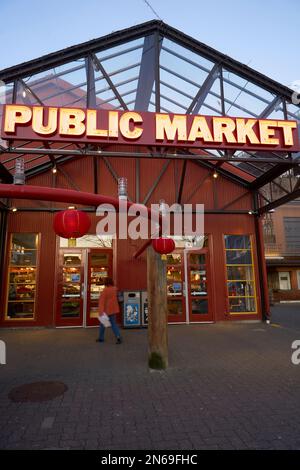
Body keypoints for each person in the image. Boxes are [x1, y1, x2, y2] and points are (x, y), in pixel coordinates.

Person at [97, 278, 122, 344]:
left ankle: (101, 338)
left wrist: (100, 312)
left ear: (106, 283)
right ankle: (118, 337)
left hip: (106, 310)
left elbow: (101, 302)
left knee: (102, 324)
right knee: (114, 324)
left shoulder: (105, 290)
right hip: (113, 310)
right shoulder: (115, 289)